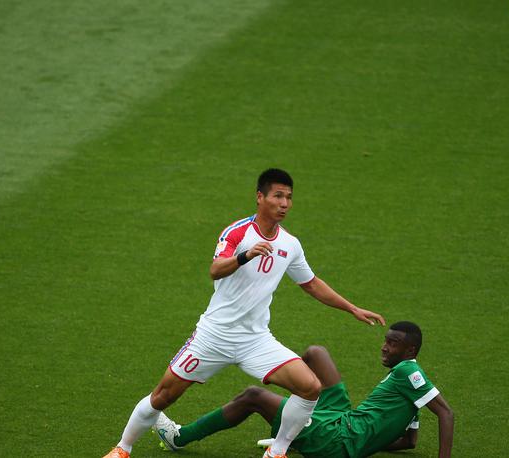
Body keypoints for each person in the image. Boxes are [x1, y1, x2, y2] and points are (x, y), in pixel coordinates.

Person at [103, 168, 385, 458]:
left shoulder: (290, 244)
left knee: (310, 387)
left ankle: (277, 452)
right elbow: (215, 269)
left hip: (255, 340)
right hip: (214, 336)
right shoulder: (238, 233)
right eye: (278, 196)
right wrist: (245, 255)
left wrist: (352, 308)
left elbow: (311, 284)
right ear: (260, 197)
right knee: (163, 395)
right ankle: (123, 449)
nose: (285, 203)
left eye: (289, 197)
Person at [154, 321, 454, 457]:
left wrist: (360, 446)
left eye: (393, 344)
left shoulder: (408, 371)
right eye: (386, 340)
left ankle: (178, 438)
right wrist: (373, 443)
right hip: (344, 419)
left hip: (337, 438)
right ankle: (293, 428)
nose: (384, 347)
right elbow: (409, 442)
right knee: (316, 353)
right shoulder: (413, 394)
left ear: (410, 350)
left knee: (252, 396)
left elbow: (445, 413)